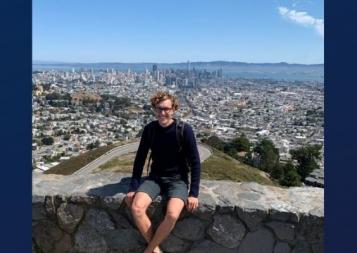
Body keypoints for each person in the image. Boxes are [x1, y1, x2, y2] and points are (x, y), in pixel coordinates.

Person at [125, 91, 201, 253]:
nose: (162, 113)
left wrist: (193, 193)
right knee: (137, 208)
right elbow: (140, 159)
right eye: (159, 109)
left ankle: (149, 250)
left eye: (166, 109)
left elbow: (195, 162)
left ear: (174, 109)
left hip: (178, 179)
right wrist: (133, 187)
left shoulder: (184, 130)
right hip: (155, 178)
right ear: (154, 109)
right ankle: (156, 250)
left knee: (172, 214)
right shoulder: (150, 130)